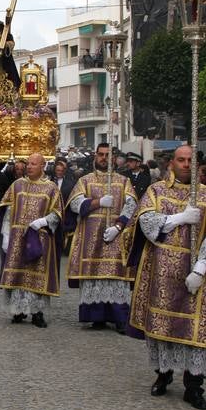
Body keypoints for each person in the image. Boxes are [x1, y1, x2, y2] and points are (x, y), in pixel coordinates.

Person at [128, 145, 206, 410]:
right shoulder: (157, 190)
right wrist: (180, 218)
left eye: (190, 161)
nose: (185, 164)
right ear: (171, 163)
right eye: (181, 160)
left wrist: (201, 268)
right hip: (161, 269)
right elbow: (147, 222)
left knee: (197, 331)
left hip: (196, 272)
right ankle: (163, 374)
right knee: (162, 326)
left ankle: (194, 385)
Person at [66, 142, 137, 333]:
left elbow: (131, 205)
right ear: (95, 156)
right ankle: (96, 316)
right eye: (101, 154)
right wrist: (98, 202)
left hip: (116, 236)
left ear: (114, 158)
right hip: (91, 237)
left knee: (116, 275)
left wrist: (118, 225)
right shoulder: (85, 180)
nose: (104, 158)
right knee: (93, 275)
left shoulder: (123, 181)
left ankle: (120, 318)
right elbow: (75, 204)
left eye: (108, 155)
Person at [0, 153, 63, 327]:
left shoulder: (51, 188)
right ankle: (18, 311)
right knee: (17, 274)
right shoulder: (17, 185)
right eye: (28, 163)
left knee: (37, 276)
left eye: (34, 164)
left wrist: (43, 221)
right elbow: (8, 211)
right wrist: (5, 234)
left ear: (43, 166)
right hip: (17, 237)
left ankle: (37, 313)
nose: (29, 167)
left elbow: (57, 213)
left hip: (39, 238)